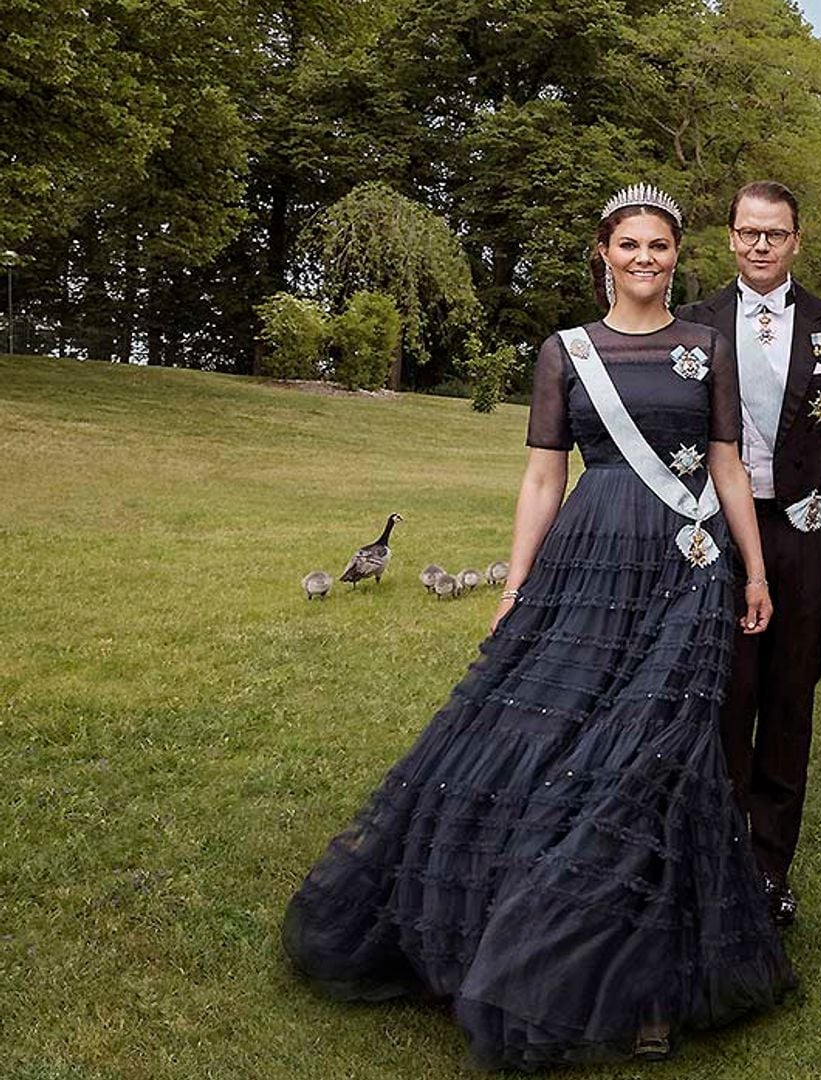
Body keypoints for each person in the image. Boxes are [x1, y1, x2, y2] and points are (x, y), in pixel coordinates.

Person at [281, 183, 794, 1069]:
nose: (644, 260)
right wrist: (518, 581)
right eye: (629, 245)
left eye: (660, 247)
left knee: (659, 755)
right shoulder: (565, 353)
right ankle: (510, 933)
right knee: (546, 737)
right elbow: (540, 479)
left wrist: (752, 569)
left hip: (686, 568)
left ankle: (648, 985)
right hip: (587, 563)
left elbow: (727, 465)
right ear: (603, 252)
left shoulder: (707, 348)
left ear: (677, 257)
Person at [678, 181, 821, 928]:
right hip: (721, 538)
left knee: (790, 705)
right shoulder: (692, 323)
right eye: (747, 232)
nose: (760, 245)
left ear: (797, 240)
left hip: (806, 538)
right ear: (730, 238)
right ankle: (722, 855)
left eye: (775, 233)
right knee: (726, 700)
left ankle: (771, 872)